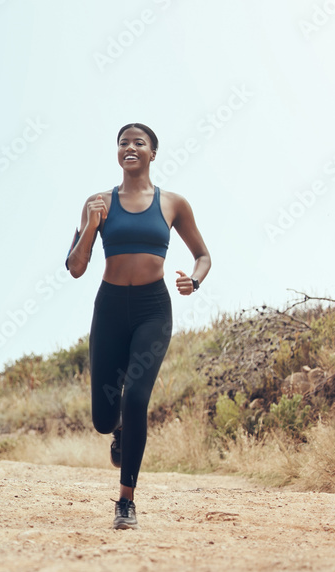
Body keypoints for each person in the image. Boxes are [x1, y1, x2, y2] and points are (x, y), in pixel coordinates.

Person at [64, 123, 211, 529]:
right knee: (103, 420)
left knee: (136, 398)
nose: (130, 147)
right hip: (109, 309)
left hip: (152, 310)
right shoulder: (97, 202)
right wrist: (91, 226)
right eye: (123, 142)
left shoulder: (173, 203)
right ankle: (118, 429)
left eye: (139, 142)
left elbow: (203, 255)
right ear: (117, 153)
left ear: (152, 153)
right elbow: (76, 268)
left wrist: (194, 280)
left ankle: (125, 500)